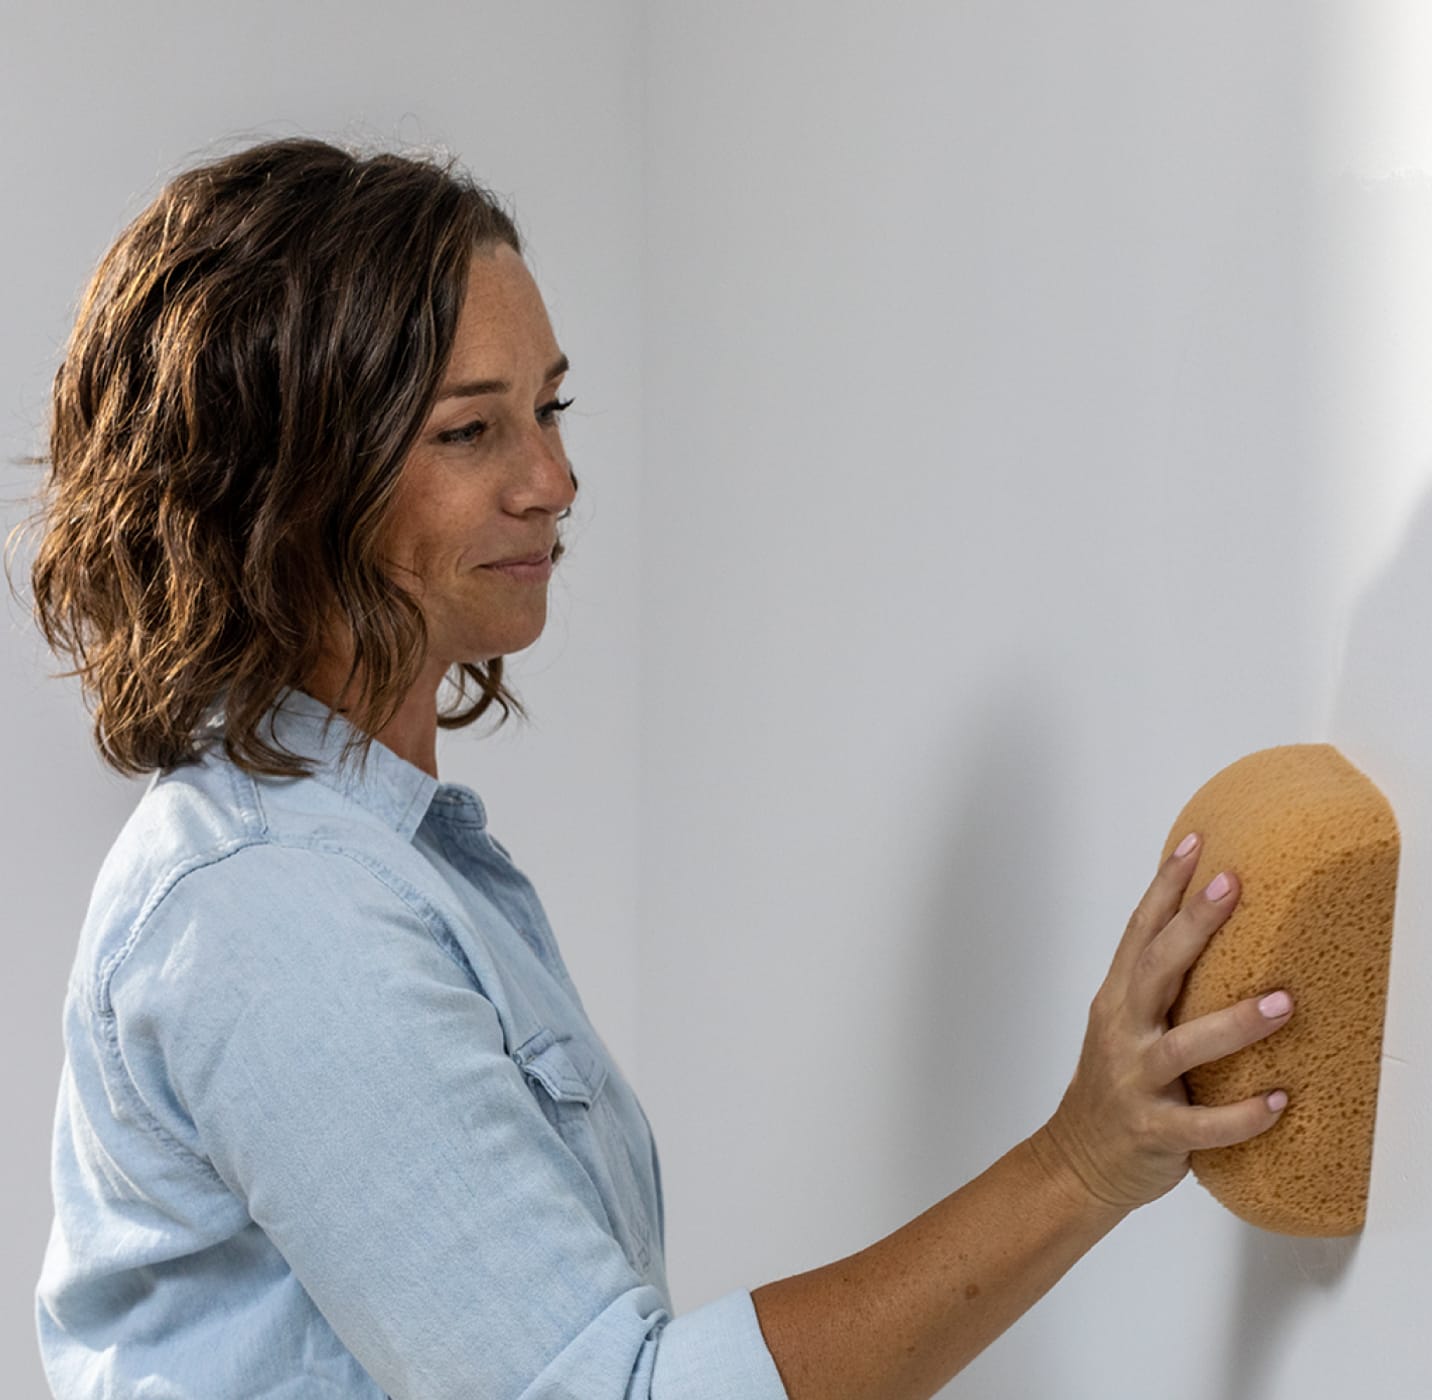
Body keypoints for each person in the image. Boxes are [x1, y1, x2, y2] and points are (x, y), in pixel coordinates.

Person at [19, 136, 1295, 1400]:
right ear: (286, 492)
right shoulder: (278, 911)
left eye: (549, 407)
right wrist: (1077, 1163)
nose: (555, 480)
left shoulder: (381, 859)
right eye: (472, 431)